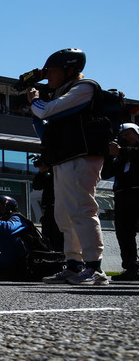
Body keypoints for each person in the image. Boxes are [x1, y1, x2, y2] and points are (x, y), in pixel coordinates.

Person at [28, 49, 109, 285]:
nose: (47, 77)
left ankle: (95, 267)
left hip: (82, 157)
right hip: (64, 159)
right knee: (63, 215)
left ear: (69, 69)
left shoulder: (85, 88)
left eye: (51, 72)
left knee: (82, 210)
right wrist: (36, 108)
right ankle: (74, 265)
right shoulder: (60, 93)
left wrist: (34, 101)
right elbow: (44, 128)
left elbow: (46, 110)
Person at [102, 123, 139, 281]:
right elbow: (105, 174)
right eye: (121, 134)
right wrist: (110, 155)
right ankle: (131, 267)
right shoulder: (120, 155)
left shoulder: (131, 151)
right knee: (124, 233)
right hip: (122, 196)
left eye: (127, 133)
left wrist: (122, 150)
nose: (124, 136)